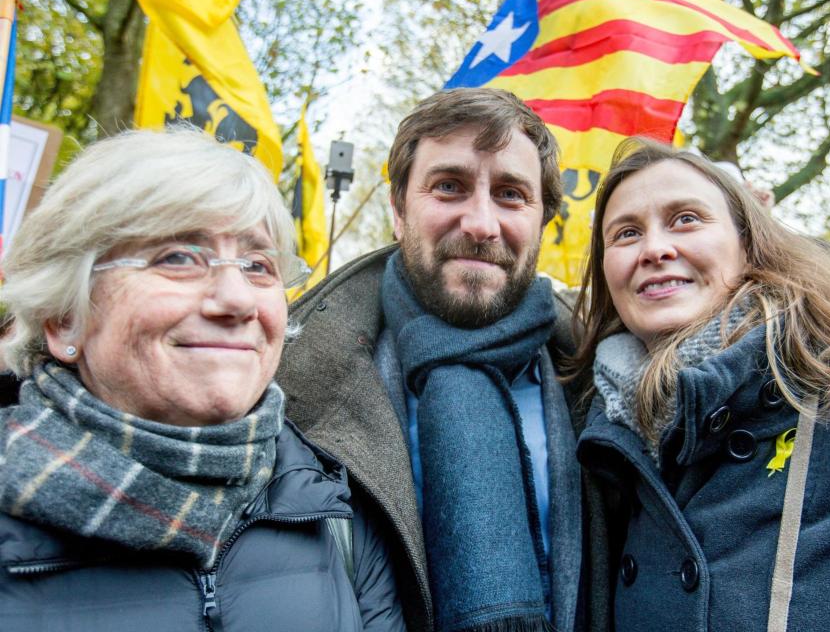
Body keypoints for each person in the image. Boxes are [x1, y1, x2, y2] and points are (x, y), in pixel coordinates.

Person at [0, 128, 404, 632]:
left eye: (258, 265)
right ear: (64, 317)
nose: (236, 300)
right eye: (178, 258)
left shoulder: (334, 508)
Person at [278, 88, 614, 632]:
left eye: (510, 194)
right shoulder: (284, 390)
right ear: (397, 211)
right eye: (449, 187)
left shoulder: (611, 377)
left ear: (543, 223)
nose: (481, 223)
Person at [564, 137, 830, 631]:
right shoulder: (593, 430)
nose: (655, 248)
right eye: (627, 233)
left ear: (748, 241)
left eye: (686, 219)